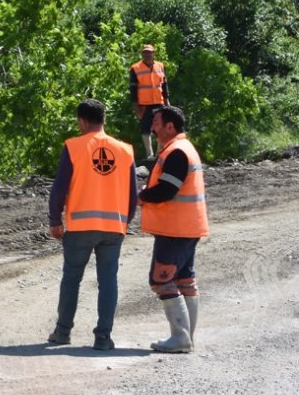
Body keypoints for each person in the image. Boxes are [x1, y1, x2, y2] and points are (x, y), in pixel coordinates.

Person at [47, 98, 139, 351]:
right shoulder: (125, 150)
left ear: (81, 121)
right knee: (108, 281)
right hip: (114, 229)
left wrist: (55, 220)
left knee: (71, 279)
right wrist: (125, 222)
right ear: (104, 120)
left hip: (80, 228)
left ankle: (63, 332)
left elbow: (59, 189)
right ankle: (103, 337)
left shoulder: (74, 147)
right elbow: (133, 195)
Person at [139, 105, 208, 353]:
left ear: (170, 126)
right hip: (187, 226)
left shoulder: (177, 152)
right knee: (184, 280)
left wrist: (141, 196)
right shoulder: (181, 149)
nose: (152, 128)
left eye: (156, 122)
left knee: (161, 280)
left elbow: (167, 190)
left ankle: (180, 338)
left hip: (176, 228)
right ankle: (185, 337)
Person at [130, 44, 169, 159]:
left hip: (159, 102)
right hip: (144, 104)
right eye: (145, 52)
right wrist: (135, 106)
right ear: (142, 54)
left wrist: (167, 100)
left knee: (160, 127)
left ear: (153, 53)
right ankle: (149, 154)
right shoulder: (135, 68)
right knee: (145, 128)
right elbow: (133, 89)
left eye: (149, 52)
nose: (147, 54)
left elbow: (164, 85)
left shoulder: (160, 66)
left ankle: (159, 153)